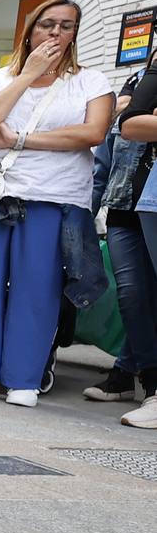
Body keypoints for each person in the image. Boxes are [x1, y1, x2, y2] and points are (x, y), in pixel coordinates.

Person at [0, 0, 113, 407]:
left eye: (67, 26)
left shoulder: (91, 82)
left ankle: (24, 377)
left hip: (52, 199)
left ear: (76, 33)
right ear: (29, 30)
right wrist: (29, 74)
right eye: (48, 24)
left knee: (37, 289)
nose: (57, 33)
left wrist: (20, 138)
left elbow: (91, 133)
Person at [110, 56, 157, 428]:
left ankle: (130, 372)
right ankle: (148, 381)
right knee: (133, 295)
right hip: (129, 203)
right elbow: (128, 125)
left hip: (144, 201)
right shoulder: (138, 82)